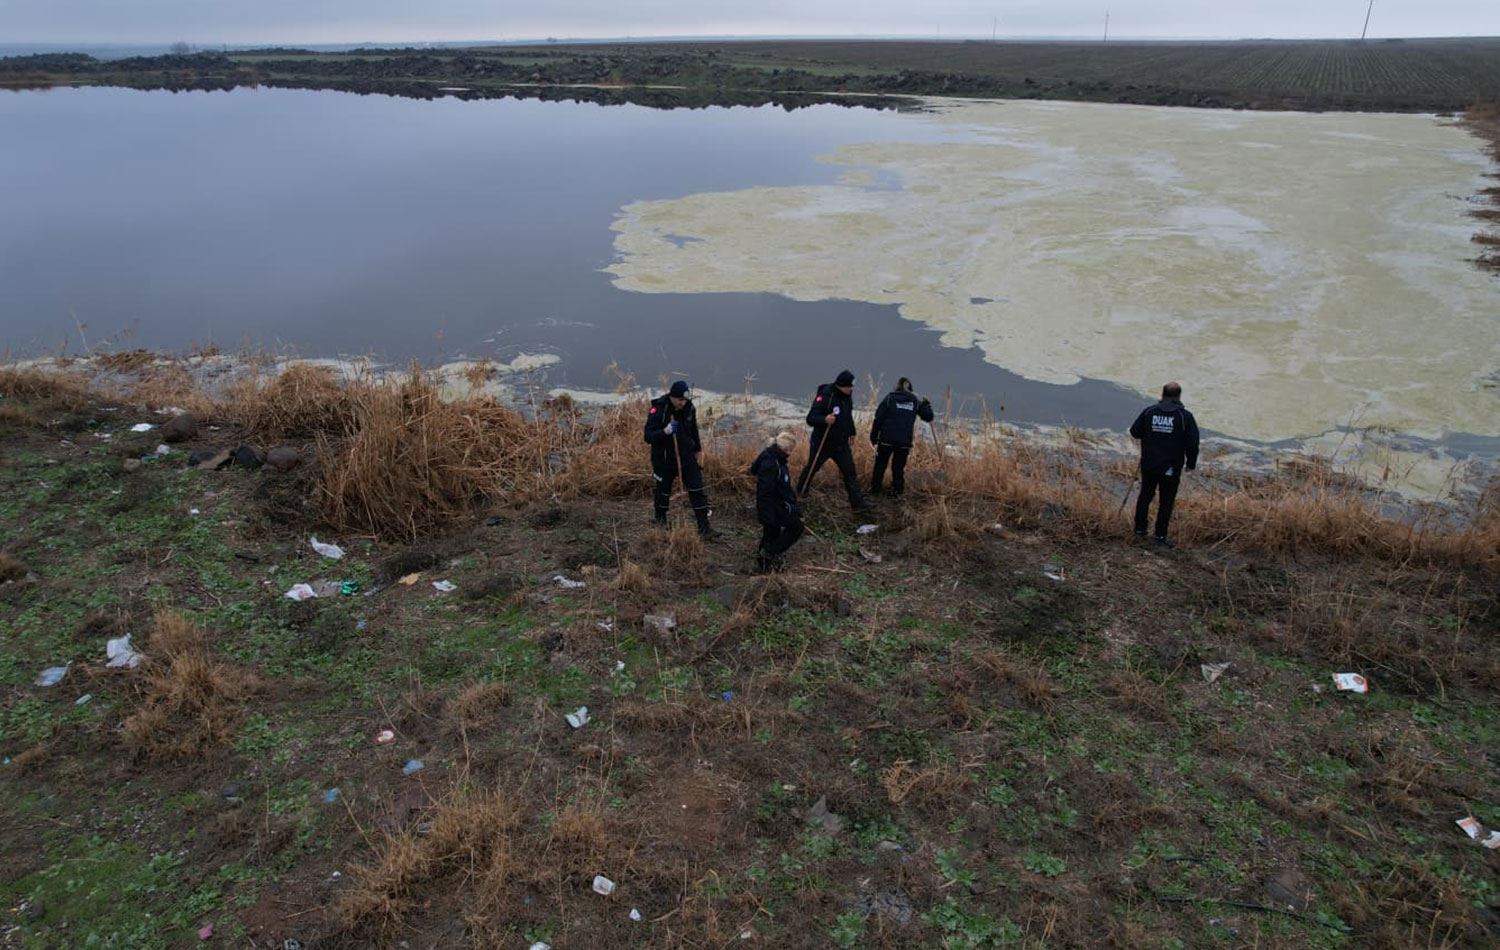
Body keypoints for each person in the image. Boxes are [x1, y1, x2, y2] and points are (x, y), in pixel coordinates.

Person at [1128, 381, 1200, 546]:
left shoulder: (1149, 412)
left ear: (1162, 395)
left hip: (1149, 464)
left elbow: (1134, 432)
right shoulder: (1184, 416)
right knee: (1166, 501)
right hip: (1171, 467)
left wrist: (1152, 434)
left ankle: (1139, 530)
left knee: (1145, 495)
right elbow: (1192, 443)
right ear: (1178, 396)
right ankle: (1160, 536)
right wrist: (1191, 463)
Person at [643, 379, 717, 537]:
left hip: (687, 456)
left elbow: (694, 429)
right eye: (680, 400)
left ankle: (704, 528)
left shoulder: (689, 408)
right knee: (663, 491)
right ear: (672, 396)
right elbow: (648, 436)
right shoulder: (659, 409)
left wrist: (698, 449)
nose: (683, 403)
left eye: (685, 399)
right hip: (664, 460)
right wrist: (665, 432)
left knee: (697, 489)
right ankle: (660, 520)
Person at [796, 369, 870, 511]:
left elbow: (847, 416)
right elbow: (811, 418)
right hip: (822, 443)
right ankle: (800, 493)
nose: (852, 389)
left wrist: (852, 432)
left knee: (850, 473)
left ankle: (858, 505)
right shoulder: (825, 396)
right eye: (850, 386)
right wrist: (825, 419)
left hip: (841, 443)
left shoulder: (847, 395)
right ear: (842, 385)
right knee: (812, 468)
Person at [869, 377, 934, 497]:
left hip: (886, 440)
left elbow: (878, 418)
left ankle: (875, 492)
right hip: (904, 442)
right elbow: (928, 417)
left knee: (880, 466)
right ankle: (897, 494)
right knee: (898, 469)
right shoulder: (915, 401)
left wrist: (873, 437)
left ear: (897, 386)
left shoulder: (889, 398)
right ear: (911, 389)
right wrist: (926, 404)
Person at [751, 431, 804, 571]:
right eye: (791, 450)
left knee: (771, 534)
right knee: (796, 528)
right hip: (774, 507)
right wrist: (767, 515)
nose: (791, 453)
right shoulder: (771, 464)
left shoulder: (776, 458)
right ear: (785, 449)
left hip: (779, 504)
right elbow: (764, 493)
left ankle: (765, 561)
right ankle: (769, 554)